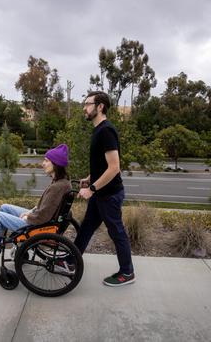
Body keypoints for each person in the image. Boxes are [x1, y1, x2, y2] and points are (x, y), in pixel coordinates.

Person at [0, 144, 71, 264]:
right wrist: (30, 212)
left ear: (56, 164)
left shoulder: (57, 187)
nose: (43, 163)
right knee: (4, 207)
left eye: (46, 160)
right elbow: (46, 207)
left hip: (38, 226)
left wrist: (28, 217)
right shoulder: (62, 182)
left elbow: (43, 215)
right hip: (42, 220)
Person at [74, 90, 135, 286]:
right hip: (101, 193)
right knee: (86, 228)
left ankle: (127, 273)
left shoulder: (106, 130)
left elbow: (114, 167)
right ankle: (71, 260)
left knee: (116, 232)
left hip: (109, 195)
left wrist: (91, 188)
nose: (84, 107)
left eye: (88, 104)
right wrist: (90, 178)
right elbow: (103, 164)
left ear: (100, 106)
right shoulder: (98, 130)